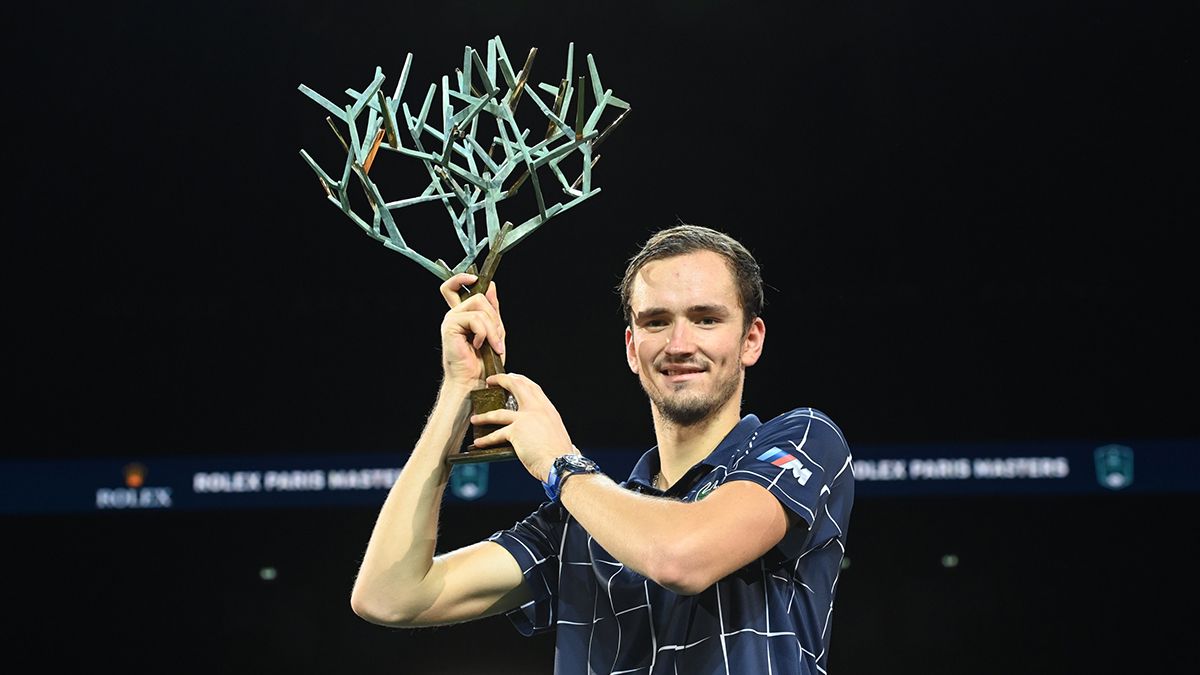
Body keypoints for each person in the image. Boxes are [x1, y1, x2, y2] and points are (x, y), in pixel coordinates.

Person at [350, 223, 855, 674]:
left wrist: (560, 463)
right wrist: (458, 391)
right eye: (656, 322)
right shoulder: (580, 520)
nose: (680, 344)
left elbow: (681, 558)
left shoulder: (805, 439)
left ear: (750, 340)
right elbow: (389, 596)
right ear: (632, 348)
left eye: (706, 319)